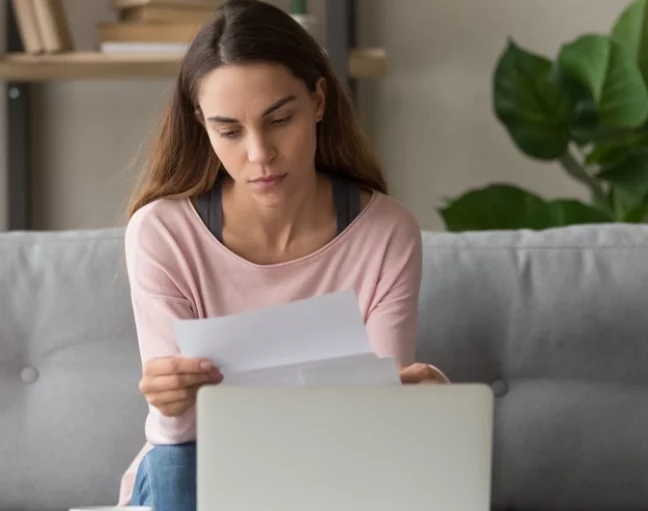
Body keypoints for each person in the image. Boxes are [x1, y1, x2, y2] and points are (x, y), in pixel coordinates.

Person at [119, 0, 449, 509]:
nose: (259, 154)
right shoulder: (162, 233)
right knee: (178, 457)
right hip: (191, 471)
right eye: (229, 131)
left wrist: (426, 410)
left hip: (325, 474)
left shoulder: (386, 233)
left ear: (318, 100)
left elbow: (374, 429)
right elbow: (181, 430)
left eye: (280, 120)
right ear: (202, 125)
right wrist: (169, 405)